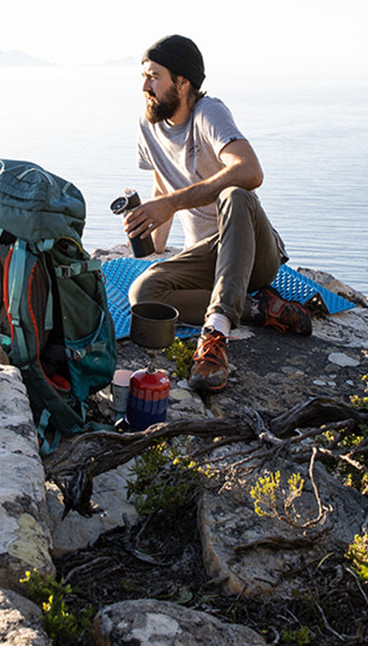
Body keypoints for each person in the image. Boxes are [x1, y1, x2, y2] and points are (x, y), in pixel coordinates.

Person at [124, 34, 312, 393]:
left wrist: (172, 203)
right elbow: (163, 187)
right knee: (144, 295)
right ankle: (259, 310)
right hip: (207, 257)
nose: (145, 86)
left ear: (183, 82)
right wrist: (150, 238)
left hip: (253, 253)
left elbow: (250, 170)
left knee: (235, 193)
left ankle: (215, 335)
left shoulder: (208, 114)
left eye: (154, 76)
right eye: (144, 76)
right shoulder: (148, 126)